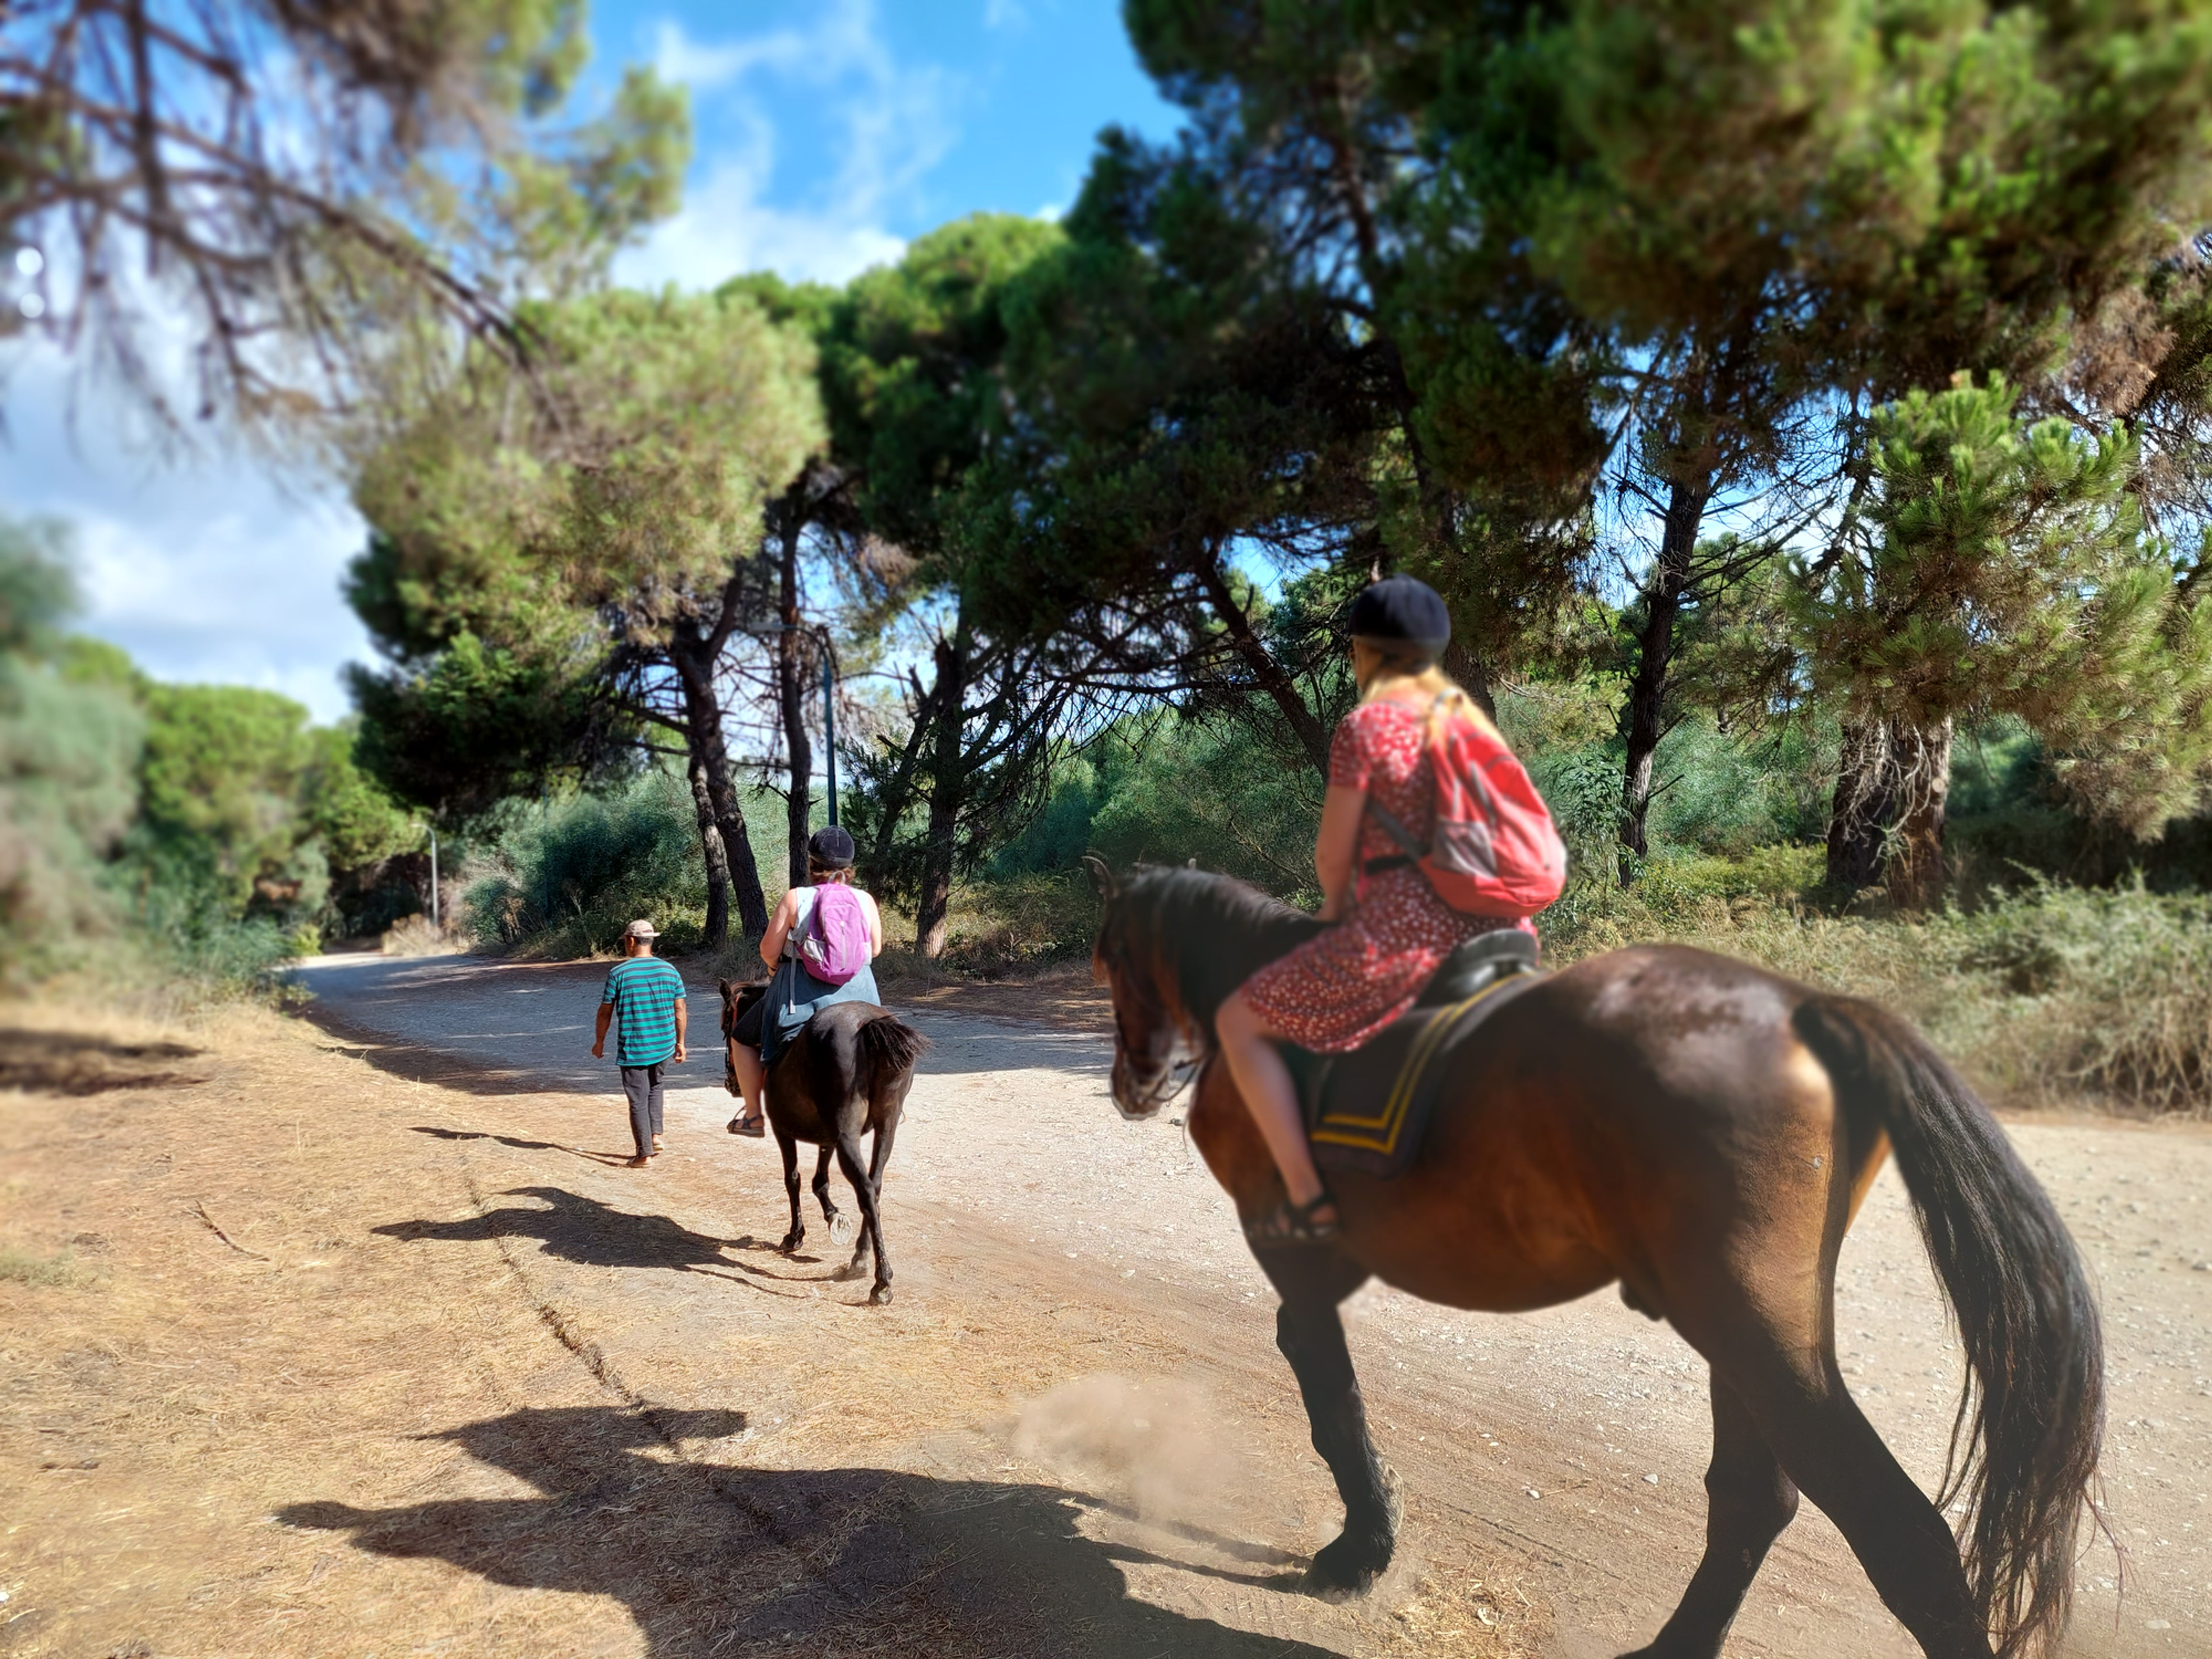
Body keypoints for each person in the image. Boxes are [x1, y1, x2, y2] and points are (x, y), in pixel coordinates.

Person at [1215, 575, 1535, 1245]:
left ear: (1368, 653)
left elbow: (1334, 858)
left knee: (1238, 1019)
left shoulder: (1365, 727)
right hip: (1509, 934)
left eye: (1354, 651)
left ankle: (1308, 1197)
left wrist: (1335, 917)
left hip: (1407, 941)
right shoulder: (1470, 725)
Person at [726, 825, 886, 1136]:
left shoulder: (795, 898)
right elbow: (876, 949)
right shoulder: (865, 900)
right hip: (861, 995)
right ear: (850, 868)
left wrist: (775, 969)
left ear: (811, 864)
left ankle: (753, 1117)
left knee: (741, 1037)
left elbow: (767, 950)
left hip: (800, 996)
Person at [592, 919, 688, 1168]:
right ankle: (655, 1136)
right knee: (656, 1087)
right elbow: (680, 1009)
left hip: (635, 1047)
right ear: (651, 941)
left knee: (637, 1097)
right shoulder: (670, 971)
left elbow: (605, 1012)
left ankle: (644, 1153)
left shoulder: (619, 974)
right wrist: (681, 1042)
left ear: (631, 942)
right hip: (664, 1044)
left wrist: (599, 1041)